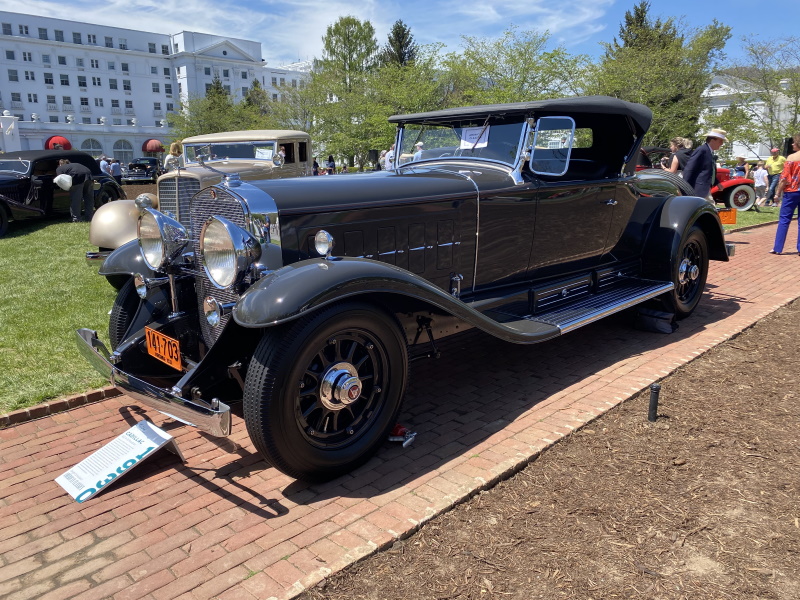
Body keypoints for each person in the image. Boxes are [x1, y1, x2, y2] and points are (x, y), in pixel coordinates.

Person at [770, 134, 800, 255]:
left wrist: (777, 193)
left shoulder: (791, 158)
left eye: (794, 142)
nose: (792, 144)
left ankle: (778, 247)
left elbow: (784, 178)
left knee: (784, 219)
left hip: (791, 192)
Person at [683, 128, 727, 200]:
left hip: (704, 189)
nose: (722, 144)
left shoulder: (709, 152)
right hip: (698, 189)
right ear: (713, 140)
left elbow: (709, 171)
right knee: (710, 208)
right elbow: (689, 168)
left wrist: (717, 183)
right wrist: (684, 187)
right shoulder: (702, 150)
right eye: (720, 141)